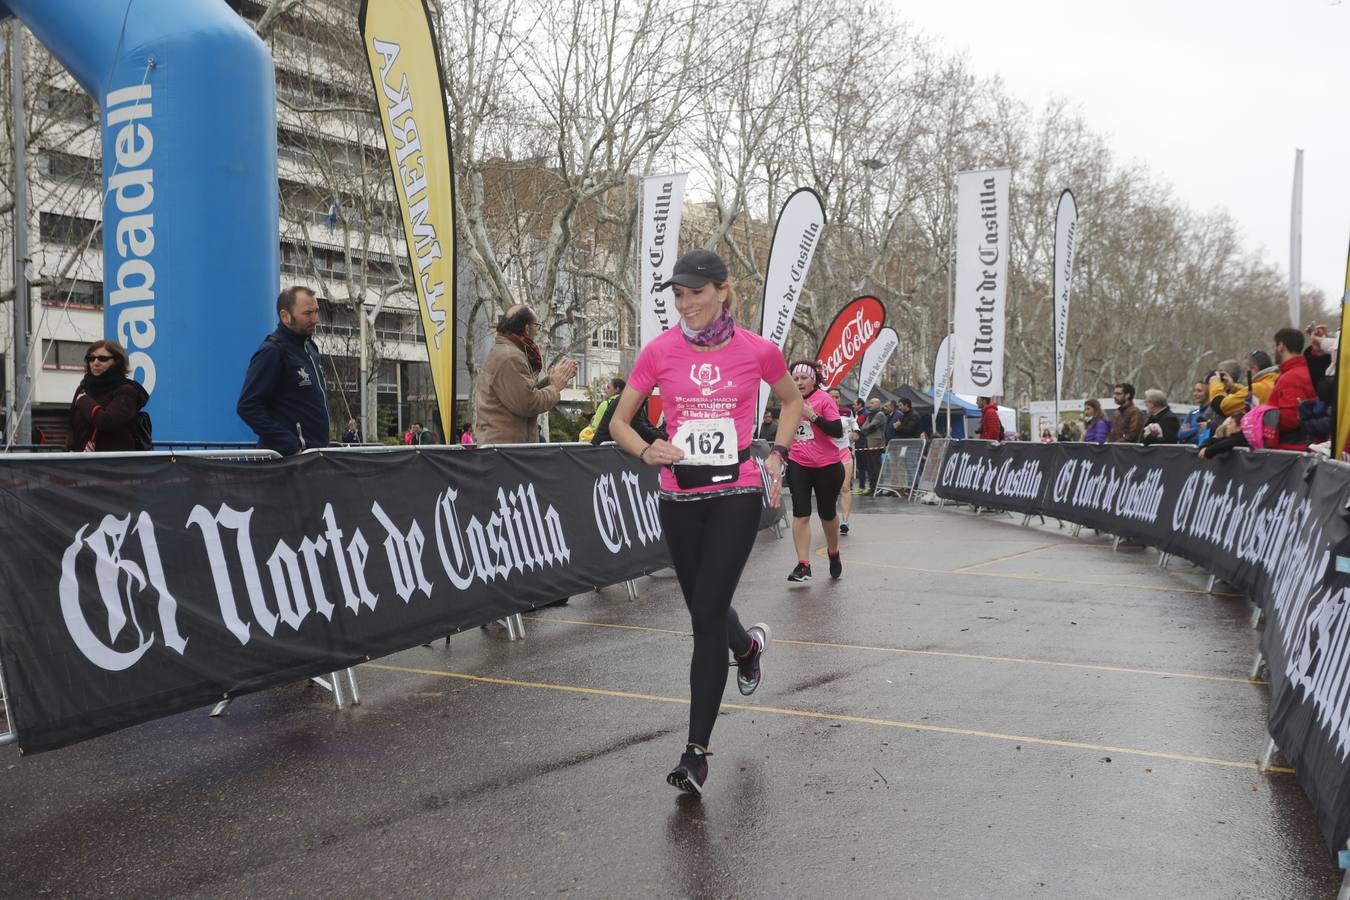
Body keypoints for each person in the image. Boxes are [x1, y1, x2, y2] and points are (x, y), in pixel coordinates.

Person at [607, 248, 802, 798]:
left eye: (696, 293)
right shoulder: (660, 352)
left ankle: (695, 754)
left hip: (737, 493)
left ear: (722, 291)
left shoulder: (758, 350)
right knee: (705, 609)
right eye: (679, 295)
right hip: (679, 495)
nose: (686, 303)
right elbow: (620, 422)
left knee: (704, 618)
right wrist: (648, 451)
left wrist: (777, 455)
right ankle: (746, 648)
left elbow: (791, 402)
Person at [237, 285, 330, 455]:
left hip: (314, 459)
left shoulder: (311, 349)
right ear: (285, 316)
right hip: (287, 464)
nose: (315, 319)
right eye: (308, 313)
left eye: (316, 312)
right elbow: (247, 406)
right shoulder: (272, 351)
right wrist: (290, 444)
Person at [475, 305, 577, 444]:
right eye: (537, 326)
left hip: (504, 449)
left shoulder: (507, 352)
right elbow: (528, 403)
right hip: (506, 453)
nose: (537, 332)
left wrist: (550, 381)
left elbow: (523, 392)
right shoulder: (510, 357)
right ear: (527, 328)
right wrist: (555, 387)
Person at [785, 361, 846, 582]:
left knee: (827, 513)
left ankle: (833, 551)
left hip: (827, 465)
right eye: (796, 378)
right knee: (801, 513)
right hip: (798, 463)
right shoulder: (789, 400)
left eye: (804, 378)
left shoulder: (824, 399)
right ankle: (803, 564)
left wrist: (812, 416)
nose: (799, 382)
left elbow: (837, 431)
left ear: (814, 380)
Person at [65, 339, 149, 452]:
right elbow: (72, 425)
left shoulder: (127, 391)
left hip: (115, 465)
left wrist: (83, 400)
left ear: (117, 361)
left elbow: (107, 421)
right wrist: (71, 449)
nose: (95, 362)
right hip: (82, 463)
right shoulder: (84, 387)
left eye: (102, 359)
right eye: (91, 359)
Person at [1269, 327, 1314, 451]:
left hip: (1291, 450)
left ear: (1281, 346)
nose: (1274, 351)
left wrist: (1263, 416)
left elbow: (1291, 418)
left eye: (1274, 346)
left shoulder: (1290, 378)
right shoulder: (1309, 371)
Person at [828, 387, 858, 534]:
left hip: (844, 453)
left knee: (845, 488)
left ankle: (845, 521)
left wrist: (856, 432)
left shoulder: (846, 411)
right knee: (830, 490)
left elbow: (854, 423)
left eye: (837, 397)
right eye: (831, 397)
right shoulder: (821, 411)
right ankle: (830, 518)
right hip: (827, 455)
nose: (834, 400)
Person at [856, 397, 887, 494]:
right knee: (870, 467)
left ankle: (877, 488)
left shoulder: (880, 414)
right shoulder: (870, 415)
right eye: (870, 403)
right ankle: (872, 487)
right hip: (868, 444)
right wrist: (866, 428)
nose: (870, 405)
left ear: (878, 404)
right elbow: (863, 427)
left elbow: (871, 426)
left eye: (872, 403)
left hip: (876, 444)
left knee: (875, 466)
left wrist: (866, 428)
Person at [1177, 382, 1208, 446]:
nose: (1195, 394)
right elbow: (1181, 434)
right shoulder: (1192, 413)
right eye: (1194, 390)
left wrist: (1189, 430)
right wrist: (1197, 428)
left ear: (1208, 393)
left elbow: (1200, 438)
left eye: (1199, 391)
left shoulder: (1213, 412)